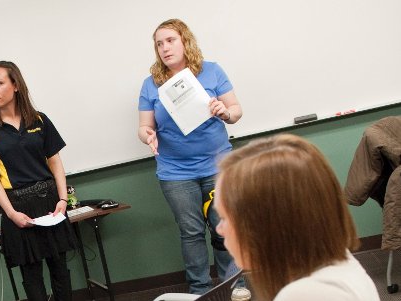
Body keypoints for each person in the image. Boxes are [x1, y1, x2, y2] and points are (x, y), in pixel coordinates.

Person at [137, 18, 243, 293]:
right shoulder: (152, 84)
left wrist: (225, 112)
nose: (164, 48)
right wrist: (147, 135)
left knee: (224, 228)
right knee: (192, 232)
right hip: (175, 172)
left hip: (218, 165)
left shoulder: (212, 71)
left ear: (185, 41)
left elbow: (235, 111)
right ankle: (200, 291)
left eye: (170, 40)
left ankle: (234, 286)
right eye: (159, 44)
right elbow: (144, 126)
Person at [215, 134, 380, 301]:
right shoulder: (335, 264)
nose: (218, 229)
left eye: (224, 217)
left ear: (264, 224)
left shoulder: (306, 293)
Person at [0, 61, 77, 301]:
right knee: (31, 276)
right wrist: (11, 214)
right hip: (17, 208)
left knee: (60, 269)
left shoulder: (39, 120)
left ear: (16, 85)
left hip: (50, 203)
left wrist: (63, 199)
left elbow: (55, 161)